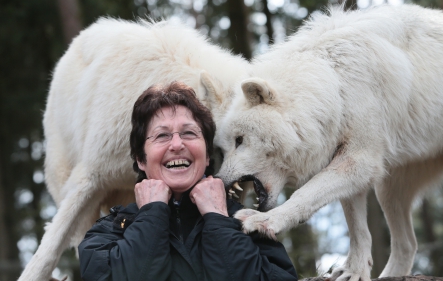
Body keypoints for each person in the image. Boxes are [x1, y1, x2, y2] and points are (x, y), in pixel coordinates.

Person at [78, 81, 298, 281]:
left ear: (207, 154)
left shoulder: (250, 225)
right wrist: (152, 217)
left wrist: (219, 221)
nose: (176, 144)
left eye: (189, 133)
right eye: (162, 135)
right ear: (141, 159)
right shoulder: (106, 235)